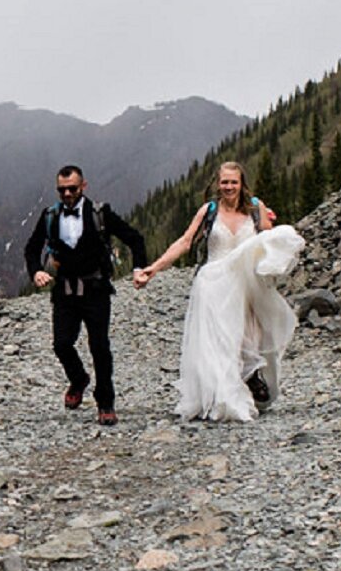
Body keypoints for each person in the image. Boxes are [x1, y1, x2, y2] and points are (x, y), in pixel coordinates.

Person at [133, 161, 306, 422]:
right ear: (217, 184)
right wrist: (154, 268)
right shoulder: (209, 211)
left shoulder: (256, 209)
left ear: (241, 183)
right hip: (213, 283)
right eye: (224, 182)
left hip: (247, 284)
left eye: (233, 182)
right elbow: (185, 241)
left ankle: (249, 378)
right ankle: (223, 397)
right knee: (219, 342)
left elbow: (267, 242)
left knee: (250, 336)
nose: (228, 187)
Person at [22, 165, 147, 425]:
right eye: (62, 190)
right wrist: (35, 272)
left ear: (83, 186)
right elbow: (31, 249)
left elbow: (134, 238)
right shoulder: (50, 216)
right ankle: (78, 379)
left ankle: (106, 403)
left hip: (96, 290)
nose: (67, 194)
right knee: (61, 344)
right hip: (64, 290)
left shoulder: (101, 214)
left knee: (100, 346)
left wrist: (138, 269)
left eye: (72, 189)